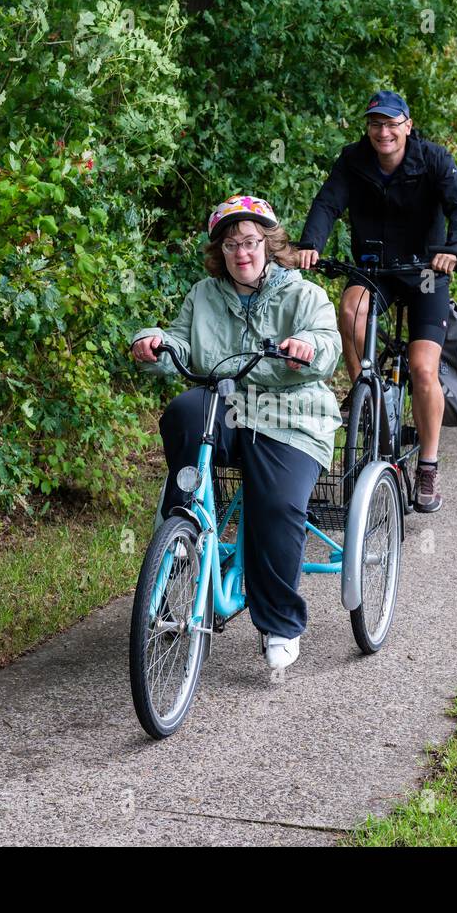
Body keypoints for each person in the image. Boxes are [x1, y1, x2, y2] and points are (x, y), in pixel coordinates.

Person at [130, 195, 342, 671]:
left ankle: (279, 622)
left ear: (267, 243)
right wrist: (154, 342)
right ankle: (184, 525)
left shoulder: (302, 294)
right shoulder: (204, 294)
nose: (241, 253)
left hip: (292, 415)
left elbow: (327, 342)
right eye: (230, 245)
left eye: (249, 242)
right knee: (185, 409)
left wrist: (303, 347)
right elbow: (181, 341)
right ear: (219, 252)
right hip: (225, 406)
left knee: (277, 506)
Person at [295, 89, 457, 513]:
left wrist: (455, 249)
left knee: (423, 369)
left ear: (407, 126)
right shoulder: (353, 160)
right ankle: (369, 396)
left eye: (392, 124)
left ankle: (428, 466)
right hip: (376, 270)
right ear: (368, 128)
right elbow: (327, 203)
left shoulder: (432, 159)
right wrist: (311, 244)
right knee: (349, 309)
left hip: (427, 273)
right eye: (376, 123)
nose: (383, 132)